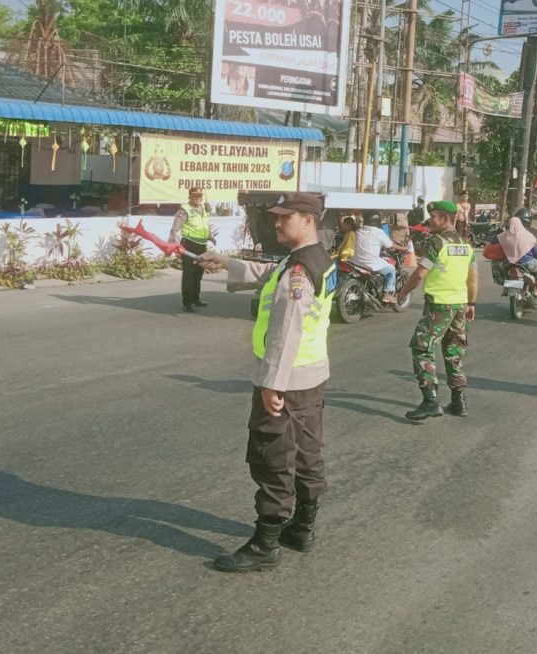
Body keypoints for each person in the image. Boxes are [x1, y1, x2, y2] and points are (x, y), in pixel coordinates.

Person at [198, 193, 337, 573]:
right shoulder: (315, 259)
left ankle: (265, 544)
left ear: (307, 220)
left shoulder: (298, 271)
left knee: (273, 457)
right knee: (308, 453)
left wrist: (272, 384)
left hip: (287, 380)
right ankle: (303, 528)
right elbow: (266, 275)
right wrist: (226, 263)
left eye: (284, 217)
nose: (275, 224)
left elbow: (286, 330)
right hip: (310, 377)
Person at [395, 200, 478, 421]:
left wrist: (403, 293)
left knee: (422, 348)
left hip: (439, 305)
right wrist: (471, 303)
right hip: (460, 305)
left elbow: (420, 273)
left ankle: (430, 401)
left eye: (434, 217)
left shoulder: (436, 243)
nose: (430, 221)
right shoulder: (466, 245)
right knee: (454, 352)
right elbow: (473, 278)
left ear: (445, 218)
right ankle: (459, 401)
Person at [169, 187, 216, 312]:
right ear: (189, 197)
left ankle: (196, 298)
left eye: (200, 196)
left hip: (201, 245)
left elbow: (205, 225)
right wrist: (171, 240)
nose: (198, 198)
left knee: (198, 273)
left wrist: (210, 236)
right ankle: (187, 302)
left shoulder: (204, 209)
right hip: (189, 244)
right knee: (189, 274)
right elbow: (176, 226)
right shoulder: (185, 210)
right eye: (195, 196)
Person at [499, 209, 537, 297]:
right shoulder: (532, 233)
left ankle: (507, 287)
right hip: (527, 263)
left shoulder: (507, 233)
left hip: (508, 262)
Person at [352, 212, 406, 304]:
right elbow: (391, 245)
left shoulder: (359, 231)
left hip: (356, 262)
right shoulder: (378, 232)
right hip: (370, 263)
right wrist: (404, 248)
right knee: (391, 269)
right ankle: (387, 294)